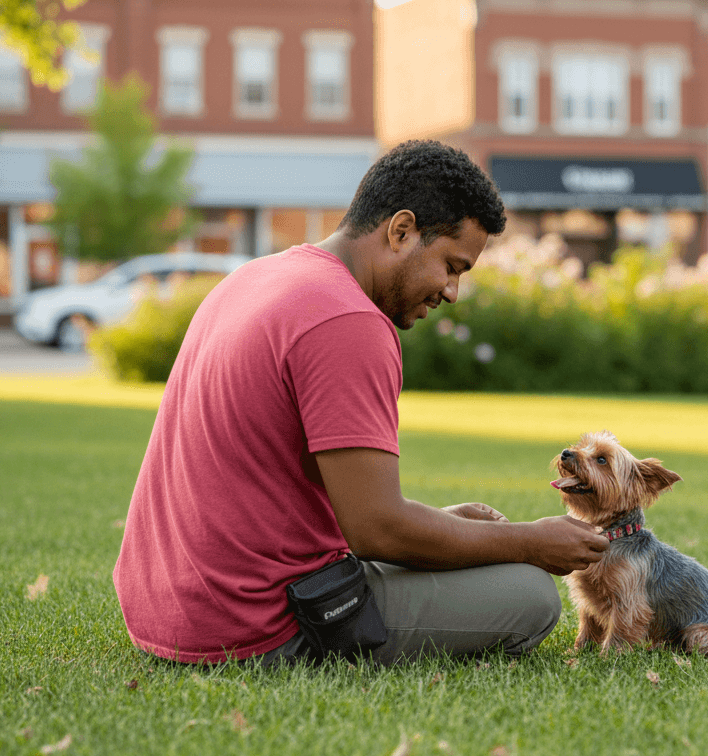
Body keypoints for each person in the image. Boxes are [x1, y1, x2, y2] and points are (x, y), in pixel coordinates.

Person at [112, 140, 609, 666]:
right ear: (401, 231)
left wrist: (448, 527)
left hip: (161, 609)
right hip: (255, 623)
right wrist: (528, 542)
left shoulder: (255, 278)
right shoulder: (349, 321)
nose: (452, 292)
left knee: (473, 554)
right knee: (530, 594)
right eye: (451, 266)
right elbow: (375, 528)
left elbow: (335, 512)